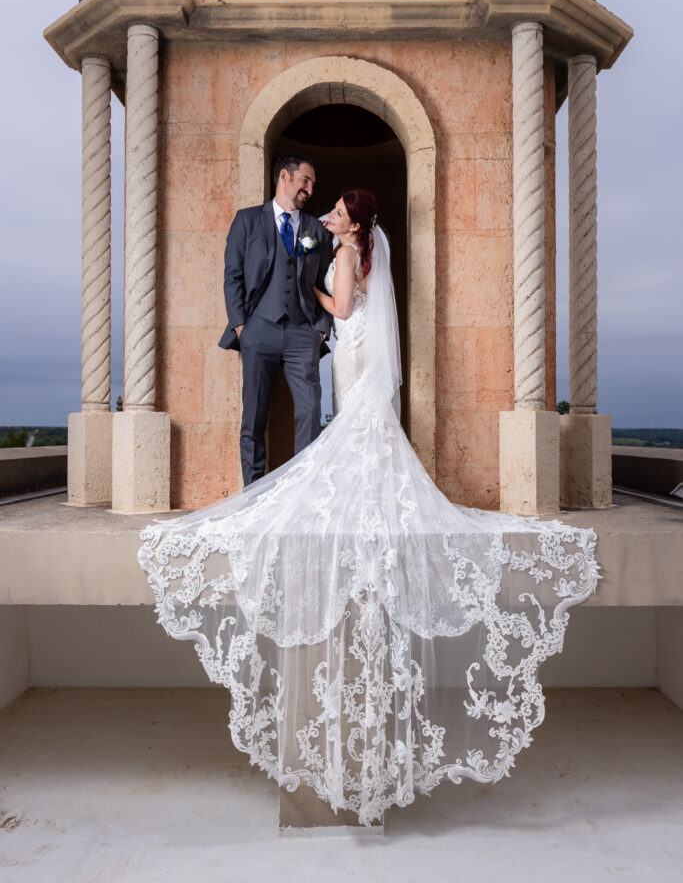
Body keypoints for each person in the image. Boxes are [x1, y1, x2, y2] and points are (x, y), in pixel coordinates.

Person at [139, 189, 599, 827]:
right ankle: (367, 497)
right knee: (364, 432)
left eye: (334, 209)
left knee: (355, 431)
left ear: (353, 220)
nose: (325, 212)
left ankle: (358, 501)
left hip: (351, 346)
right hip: (358, 351)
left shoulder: (351, 251)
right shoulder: (365, 244)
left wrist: (311, 290)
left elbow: (345, 306)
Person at [218, 154, 334, 484]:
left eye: (313, 184)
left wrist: (320, 331)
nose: (310, 189)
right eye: (305, 180)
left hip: (302, 332)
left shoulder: (316, 230)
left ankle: (302, 493)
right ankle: (253, 494)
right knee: (254, 416)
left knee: (311, 411)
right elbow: (233, 276)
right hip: (258, 328)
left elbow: (325, 278)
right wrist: (242, 327)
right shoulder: (247, 221)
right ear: (285, 177)